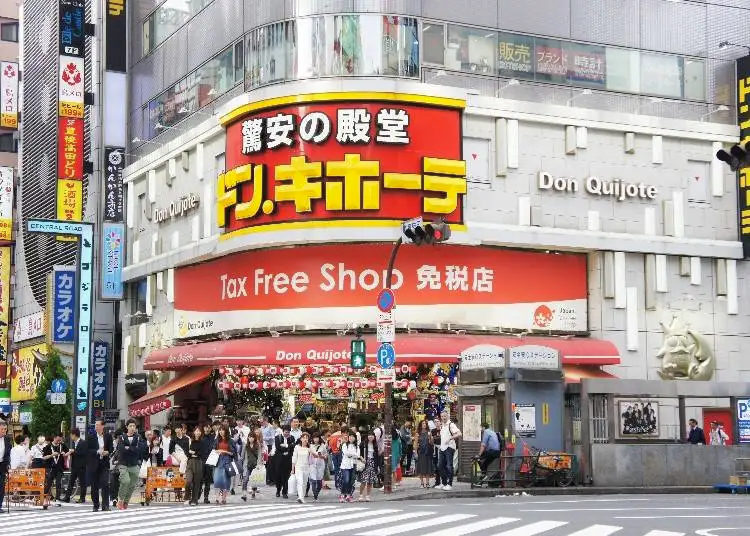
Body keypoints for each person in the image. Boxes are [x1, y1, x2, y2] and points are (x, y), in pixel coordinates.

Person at [116, 419, 145, 510]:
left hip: (134, 464)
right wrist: (132, 448)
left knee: (132, 484)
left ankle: (126, 501)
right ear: (127, 427)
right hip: (123, 463)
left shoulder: (138, 437)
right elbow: (121, 450)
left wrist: (128, 448)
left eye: (134, 426)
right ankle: (120, 500)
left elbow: (139, 449)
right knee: (125, 481)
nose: (132, 428)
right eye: (130, 426)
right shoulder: (122, 437)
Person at [86, 419, 114, 512]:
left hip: (104, 463)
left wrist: (108, 452)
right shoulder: (91, 437)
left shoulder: (108, 436)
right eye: (95, 425)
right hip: (94, 464)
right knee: (94, 486)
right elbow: (88, 450)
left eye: (98, 425)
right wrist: (97, 451)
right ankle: (96, 505)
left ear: (102, 426)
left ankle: (105, 505)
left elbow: (111, 448)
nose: (96, 426)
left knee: (105, 483)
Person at [438, 410, 461, 491]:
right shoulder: (442, 425)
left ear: (447, 416)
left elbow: (459, 434)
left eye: (444, 416)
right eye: (442, 416)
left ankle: (449, 484)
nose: (443, 418)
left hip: (449, 447)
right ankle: (444, 483)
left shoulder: (451, 425)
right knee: (440, 466)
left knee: (449, 466)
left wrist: (450, 438)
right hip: (442, 447)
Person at [185, 425, 208, 506]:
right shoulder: (190, 440)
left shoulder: (203, 442)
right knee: (188, 481)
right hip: (190, 462)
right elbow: (187, 452)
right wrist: (193, 453)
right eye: (196, 430)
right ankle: (187, 497)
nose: (197, 432)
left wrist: (194, 453)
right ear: (194, 432)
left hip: (198, 462)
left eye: (199, 431)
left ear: (201, 432)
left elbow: (201, 453)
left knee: (196, 482)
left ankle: (194, 500)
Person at [212, 424, 235, 505]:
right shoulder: (217, 440)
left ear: (226, 431)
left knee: (226, 480)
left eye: (223, 430)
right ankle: (217, 498)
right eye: (220, 430)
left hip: (227, 462)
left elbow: (233, 453)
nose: (221, 432)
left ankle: (224, 499)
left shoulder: (231, 440)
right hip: (218, 461)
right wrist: (216, 451)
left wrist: (224, 451)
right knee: (217, 480)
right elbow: (213, 450)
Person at [63, 428, 87, 503]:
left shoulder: (83, 442)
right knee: (71, 482)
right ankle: (67, 497)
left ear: (74, 435)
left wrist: (73, 451)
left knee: (82, 482)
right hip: (74, 466)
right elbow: (75, 453)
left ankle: (82, 498)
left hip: (81, 466)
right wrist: (70, 452)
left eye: (71, 435)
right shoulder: (74, 443)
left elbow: (83, 453)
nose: (70, 436)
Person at [240, 429, 265, 501]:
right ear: (248, 437)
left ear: (255, 438)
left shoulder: (257, 445)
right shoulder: (245, 445)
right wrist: (239, 461)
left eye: (252, 437)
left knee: (254, 480)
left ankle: (253, 492)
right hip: (247, 465)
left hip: (255, 466)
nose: (251, 438)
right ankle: (244, 494)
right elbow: (242, 456)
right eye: (249, 437)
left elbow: (260, 456)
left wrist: (258, 464)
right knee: (245, 480)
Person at [43, 433, 68, 504]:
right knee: (49, 483)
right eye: (58, 439)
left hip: (59, 467)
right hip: (51, 467)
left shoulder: (62, 445)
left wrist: (65, 453)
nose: (59, 441)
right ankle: (44, 497)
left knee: (58, 483)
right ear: (54, 438)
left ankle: (57, 498)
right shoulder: (48, 446)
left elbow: (67, 453)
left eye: (60, 440)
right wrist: (51, 455)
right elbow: (44, 457)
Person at [272, 425, 295, 498]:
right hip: (279, 461)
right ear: (283, 431)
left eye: (288, 432)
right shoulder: (277, 438)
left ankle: (285, 492)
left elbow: (293, 447)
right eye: (285, 432)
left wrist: (285, 446)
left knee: (286, 477)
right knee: (278, 477)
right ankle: (278, 490)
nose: (286, 434)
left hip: (288, 460)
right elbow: (278, 447)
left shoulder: (292, 438)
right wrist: (288, 446)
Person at [358, 430, 380, 502]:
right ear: (367, 436)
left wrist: (377, 466)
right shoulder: (363, 444)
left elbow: (377, 456)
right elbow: (359, 454)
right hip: (365, 463)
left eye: (372, 435)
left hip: (373, 463)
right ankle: (361, 495)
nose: (371, 437)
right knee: (364, 480)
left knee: (370, 481)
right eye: (369, 435)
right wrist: (362, 459)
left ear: (374, 437)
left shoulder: (375, 445)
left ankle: (368, 495)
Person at [291, 432, 311, 503]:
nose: (305, 439)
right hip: (298, 467)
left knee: (305, 483)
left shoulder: (309, 448)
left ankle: (302, 496)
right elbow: (294, 458)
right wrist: (292, 469)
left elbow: (314, 456)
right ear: (301, 439)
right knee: (300, 482)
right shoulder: (297, 447)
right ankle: (300, 497)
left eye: (307, 438)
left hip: (306, 467)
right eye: (304, 438)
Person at [339, 432, 359, 503]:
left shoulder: (356, 446)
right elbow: (346, 453)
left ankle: (348, 495)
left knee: (351, 481)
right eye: (350, 436)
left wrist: (352, 454)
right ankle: (342, 494)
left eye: (353, 437)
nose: (351, 438)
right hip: (345, 465)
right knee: (346, 480)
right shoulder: (345, 445)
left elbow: (357, 455)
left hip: (353, 465)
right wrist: (353, 454)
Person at [308, 433, 328, 502]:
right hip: (312, 465)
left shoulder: (322, 446)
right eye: (314, 438)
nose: (315, 439)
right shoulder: (310, 446)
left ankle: (317, 493)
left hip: (320, 464)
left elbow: (326, 455)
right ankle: (315, 496)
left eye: (317, 438)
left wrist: (322, 456)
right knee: (313, 480)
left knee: (319, 481)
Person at [415, 419, 434, 488]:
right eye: (423, 423)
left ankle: (428, 483)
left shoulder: (429, 432)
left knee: (428, 467)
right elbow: (415, 443)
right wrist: (415, 452)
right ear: (420, 425)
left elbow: (431, 443)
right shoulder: (418, 433)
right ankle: (422, 483)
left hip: (428, 451)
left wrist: (429, 437)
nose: (424, 425)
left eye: (425, 423)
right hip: (421, 452)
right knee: (421, 467)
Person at [0, 421, 10, 512]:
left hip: (2, 465)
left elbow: (8, 453)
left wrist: (8, 463)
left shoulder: (7, 439)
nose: (4, 431)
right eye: (2, 429)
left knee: (1, 486)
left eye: (5, 429)